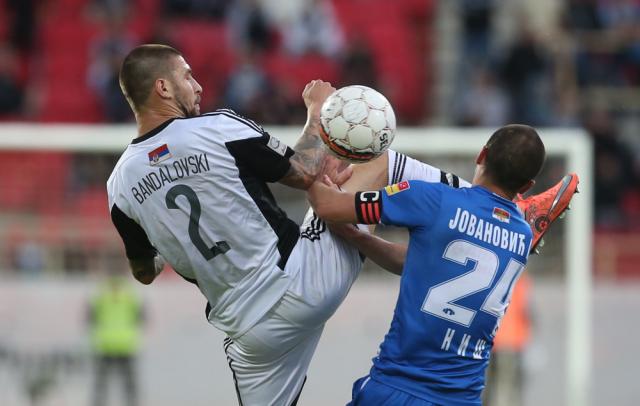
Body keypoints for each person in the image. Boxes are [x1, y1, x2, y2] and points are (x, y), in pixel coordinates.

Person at [107, 44, 576, 405]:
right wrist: (318, 111)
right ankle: (510, 213)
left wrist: (169, 244)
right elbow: (304, 171)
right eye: (187, 77)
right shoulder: (215, 127)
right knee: (374, 160)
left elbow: (144, 271)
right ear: (163, 88)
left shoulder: (120, 186)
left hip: (248, 336)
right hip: (299, 283)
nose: (197, 86)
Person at [308, 124, 578, 405]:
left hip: (399, 386)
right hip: (461, 398)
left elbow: (328, 207)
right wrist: (356, 237)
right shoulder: (522, 236)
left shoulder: (433, 199)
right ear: (526, 186)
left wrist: (315, 149)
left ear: (481, 155)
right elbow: (421, 264)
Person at [88, 273, 144, 406]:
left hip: (105, 343)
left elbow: (91, 317)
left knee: (101, 383)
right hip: (126, 343)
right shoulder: (131, 293)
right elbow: (141, 317)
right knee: (129, 384)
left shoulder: (100, 293)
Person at [483, 272, 533, 406]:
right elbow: (526, 309)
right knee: (508, 389)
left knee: (485, 388)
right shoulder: (520, 279)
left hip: (488, 340)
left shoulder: (490, 274)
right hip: (511, 341)